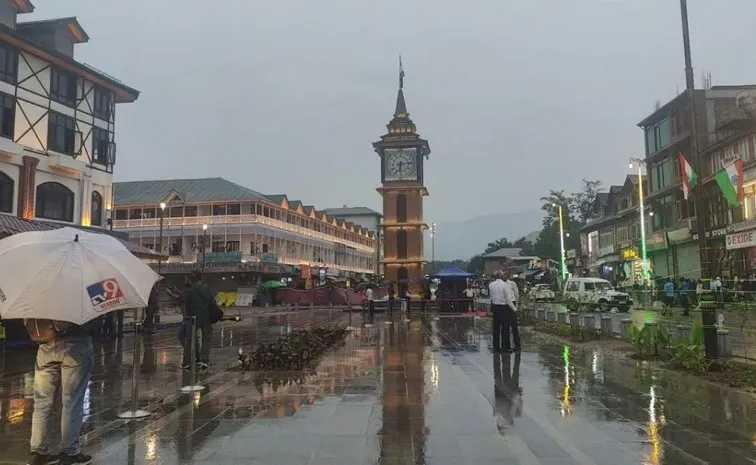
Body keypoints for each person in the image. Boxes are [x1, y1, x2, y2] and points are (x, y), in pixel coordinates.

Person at [27, 320, 94, 465]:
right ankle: (70, 452)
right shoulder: (73, 296)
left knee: (42, 404)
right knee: (72, 401)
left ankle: (39, 452)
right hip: (74, 345)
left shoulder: (34, 298)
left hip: (45, 346)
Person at [182, 270, 214, 370]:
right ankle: (204, 361)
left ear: (191, 279)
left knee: (189, 339)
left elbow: (183, 303)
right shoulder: (206, 288)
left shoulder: (189, 290)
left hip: (192, 318)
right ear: (201, 278)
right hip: (206, 317)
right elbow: (212, 301)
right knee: (206, 338)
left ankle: (187, 362)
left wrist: (185, 315)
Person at [489, 270, 519, 353]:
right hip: (504, 308)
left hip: (495, 307)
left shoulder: (491, 285)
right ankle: (505, 347)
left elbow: (491, 297)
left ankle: (496, 347)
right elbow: (508, 299)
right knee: (504, 329)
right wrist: (514, 309)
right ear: (501, 276)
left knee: (496, 328)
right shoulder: (505, 285)